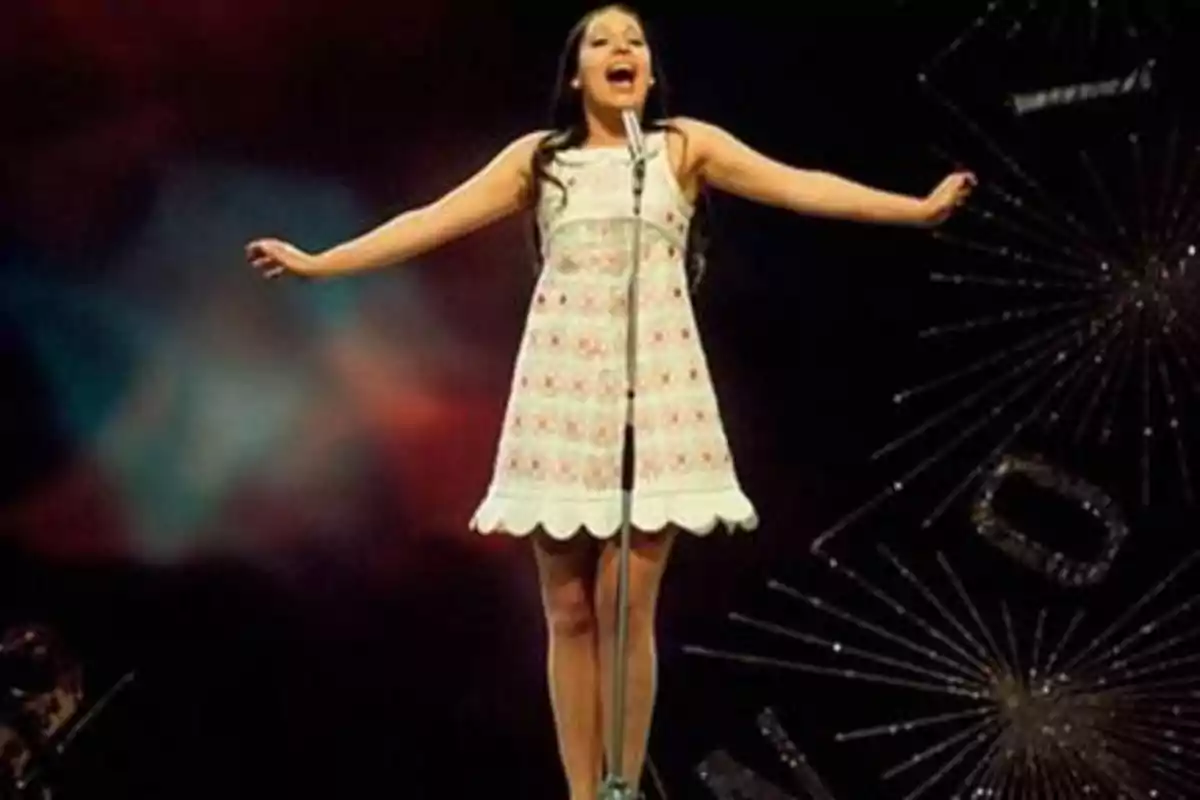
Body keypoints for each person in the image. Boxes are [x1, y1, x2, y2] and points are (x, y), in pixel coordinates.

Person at [246, 5, 975, 797]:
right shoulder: (541, 160)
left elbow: (801, 186)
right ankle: (581, 792)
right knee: (568, 609)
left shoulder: (682, 148)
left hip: (655, 394)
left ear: (651, 73)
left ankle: (624, 785)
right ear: (575, 74)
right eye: (601, 41)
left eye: (634, 41)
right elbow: (430, 221)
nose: (622, 48)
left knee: (627, 607)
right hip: (561, 397)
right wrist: (322, 265)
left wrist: (918, 207)